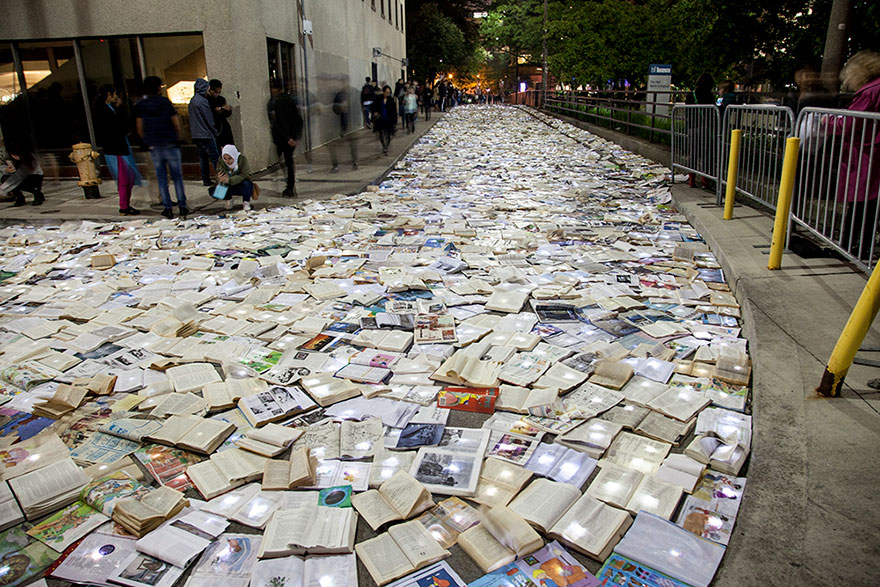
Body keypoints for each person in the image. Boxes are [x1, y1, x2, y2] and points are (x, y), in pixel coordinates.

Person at [835, 51, 880, 260]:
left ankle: (849, 246)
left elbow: (850, 124)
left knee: (860, 203)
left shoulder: (869, 92)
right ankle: (863, 246)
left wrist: (828, 121)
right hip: (870, 152)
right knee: (870, 205)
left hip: (867, 153)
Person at [134, 75, 188, 219]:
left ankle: (167, 207)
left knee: (162, 177)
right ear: (158, 88)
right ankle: (182, 206)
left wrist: (147, 140)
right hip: (170, 143)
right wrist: (178, 137)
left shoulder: (141, 105)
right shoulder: (165, 103)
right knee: (177, 177)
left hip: (155, 145)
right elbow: (176, 123)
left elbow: (140, 128)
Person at [92, 84, 141, 215]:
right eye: (114, 94)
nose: (116, 97)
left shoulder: (105, 108)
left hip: (116, 147)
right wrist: (121, 108)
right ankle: (124, 206)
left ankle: (125, 204)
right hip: (116, 148)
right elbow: (118, 126)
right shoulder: (105, 110)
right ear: (109, 95)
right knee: (125, 177)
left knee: (127, 177)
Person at [268, 81, 303, 197]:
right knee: (289, 162)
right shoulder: (289, 100)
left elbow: (278, 122)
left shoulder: (277, 102)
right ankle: (290, 185)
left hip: (282, 138)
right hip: (289, 137)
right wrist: (295, 136)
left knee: (285, 162)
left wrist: (287, 137)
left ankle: (289, 186)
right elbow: (298, 119)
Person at [684, 73, 716, 189]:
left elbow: (687, 112)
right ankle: (704, 181)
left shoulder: (690, 95)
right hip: (704, 127)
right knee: (706, 154)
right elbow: (712, 112)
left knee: (693, 153)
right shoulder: (709, 96)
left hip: (692, 127)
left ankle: (691, 180)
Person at [188, 78, 220, 186]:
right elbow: (208, 119)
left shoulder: (192, 101)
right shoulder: (202, 101)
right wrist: (215, 132)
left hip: (196, 134)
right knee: (215, 158)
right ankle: (221, 180)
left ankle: (206, 180)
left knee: (203, 158)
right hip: (205, 134)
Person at [0, 140, 44, 207]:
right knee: (4, 178)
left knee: (19, 183)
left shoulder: (30, 157)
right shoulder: (8, 155)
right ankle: (20, 197)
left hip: (34, 176)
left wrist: (3, 188)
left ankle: (37, 194)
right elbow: (2, 166)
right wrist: (6, 169)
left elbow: (22, 173)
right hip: (17, 175)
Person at [329, 77, 358, 172]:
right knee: (334, 145)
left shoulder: (354, 92)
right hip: (342, 123)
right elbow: (334, 108)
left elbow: (358, 107)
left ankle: (354, 162)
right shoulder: (339, 94)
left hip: (351, 124)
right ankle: (335, 165)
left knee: (352, 145)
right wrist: (340, 108)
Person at [215, 144, 254, 213]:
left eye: (230, 158)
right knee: (215, 190)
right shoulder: (221, 161)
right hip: (228, 184)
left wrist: (230, 180)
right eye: (225, 158)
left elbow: (245, 174)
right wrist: (220, 179)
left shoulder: (242, 160)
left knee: (247, 184)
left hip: (240, 183)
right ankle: (228, 199)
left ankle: (246, 201)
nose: (227, 161)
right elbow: (219, 173)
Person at [208, 78, 235, 148]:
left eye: (219, 92)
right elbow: (212, 112)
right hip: (214, 128)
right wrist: (221, 109)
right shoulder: (207, 100)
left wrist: (227, 109)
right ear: (210, 90)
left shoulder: (221, 99)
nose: (217, 94)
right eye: (215, 92)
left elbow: (227, 113)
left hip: (223, 127)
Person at [372, 85, 398, 155]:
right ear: (383, 92)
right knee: (381, 133)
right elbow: (374, 106)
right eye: (386, 92)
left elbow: (394, 111)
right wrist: (375, 112)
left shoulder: (391, 100)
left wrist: (395, 121)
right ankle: (384, 146)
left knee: (388, 134)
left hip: (389, 119)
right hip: (380, 119)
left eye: (389, 92)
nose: (388, 94)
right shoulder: (379, 98)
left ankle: (386, 146)